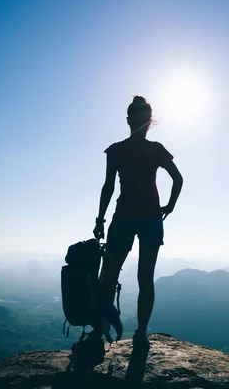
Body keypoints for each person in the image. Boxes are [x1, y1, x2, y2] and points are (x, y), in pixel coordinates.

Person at [91, 95, 183, 349]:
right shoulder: (156, 149)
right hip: (152, 218)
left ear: (129, 120)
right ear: (149, 122)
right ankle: (141, 332)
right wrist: (170, 206)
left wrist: (100, 219)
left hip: (123, 218)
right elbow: (178, 178)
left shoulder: (116, 150)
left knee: (108, 277)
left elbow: (108, 187)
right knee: (146, 278)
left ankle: (99, 331)